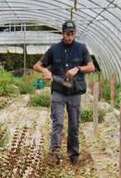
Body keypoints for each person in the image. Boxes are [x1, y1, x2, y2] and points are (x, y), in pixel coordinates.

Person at [33, 20, 95, 165]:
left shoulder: (82, 48)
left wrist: (78, 68)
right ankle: (54, 154)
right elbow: (37, 65)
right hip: (59, 92)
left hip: (74, 93)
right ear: (62, 33)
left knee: (74, 124)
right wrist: (45, 70)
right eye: (67, 34)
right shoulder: (54, 49)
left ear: (75, 34)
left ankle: (73, 153)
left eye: (72, 34)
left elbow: (91, 67)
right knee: (58, 123)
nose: (69, 37)